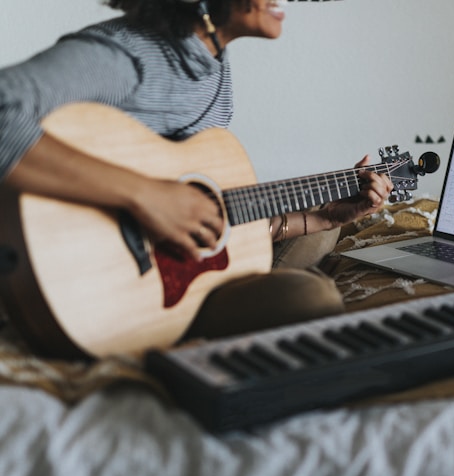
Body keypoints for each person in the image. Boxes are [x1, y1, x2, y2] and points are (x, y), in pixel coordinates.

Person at [0, 0, 393, 341]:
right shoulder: (126, 54)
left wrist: (320, 218)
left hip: (177, 264)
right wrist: (145, 196)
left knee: (330, 231)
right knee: (314, 298)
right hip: (94, 279)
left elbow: (205, 210)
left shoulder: (212, 63)